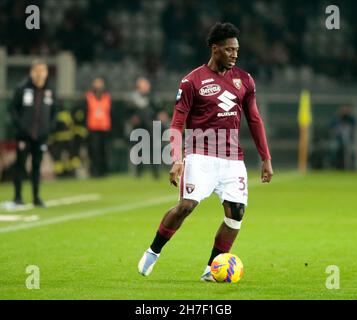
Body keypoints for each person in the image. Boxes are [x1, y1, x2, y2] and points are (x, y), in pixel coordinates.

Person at [138, 22, 273, 281]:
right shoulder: (192, 81)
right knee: (186, 206)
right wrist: (177, 158)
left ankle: (212, 269)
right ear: (215, 49)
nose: (235, 54)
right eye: (229, 49)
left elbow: (254, 119)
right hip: (200, 154)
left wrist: (265, 158)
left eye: (237, 49)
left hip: (233, 158)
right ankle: (154, 251)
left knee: (236, 215)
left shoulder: (244, 80)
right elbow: (177, 123)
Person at [8, 59, 57, 207]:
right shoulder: (22, 88)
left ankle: (36, 197)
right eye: (37, 70)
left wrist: (49, 127)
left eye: (43, 70)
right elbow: (12, 109)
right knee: (20, 165)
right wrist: (20, 126)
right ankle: (17, 196)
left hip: (41, 135)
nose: (40, 74)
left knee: (37, 166)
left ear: (47, 73)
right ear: (32, 72)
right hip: (24, 135)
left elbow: (55, 111)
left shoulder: (50, 90)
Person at [85, 77, 111, 177]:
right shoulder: (89, 97)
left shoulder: (107, 97)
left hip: (104, 128)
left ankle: (103, 171)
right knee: (94, 151)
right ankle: (94, 171)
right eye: (96, 83)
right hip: (93, 128)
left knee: (104, 151)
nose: (98, 85)